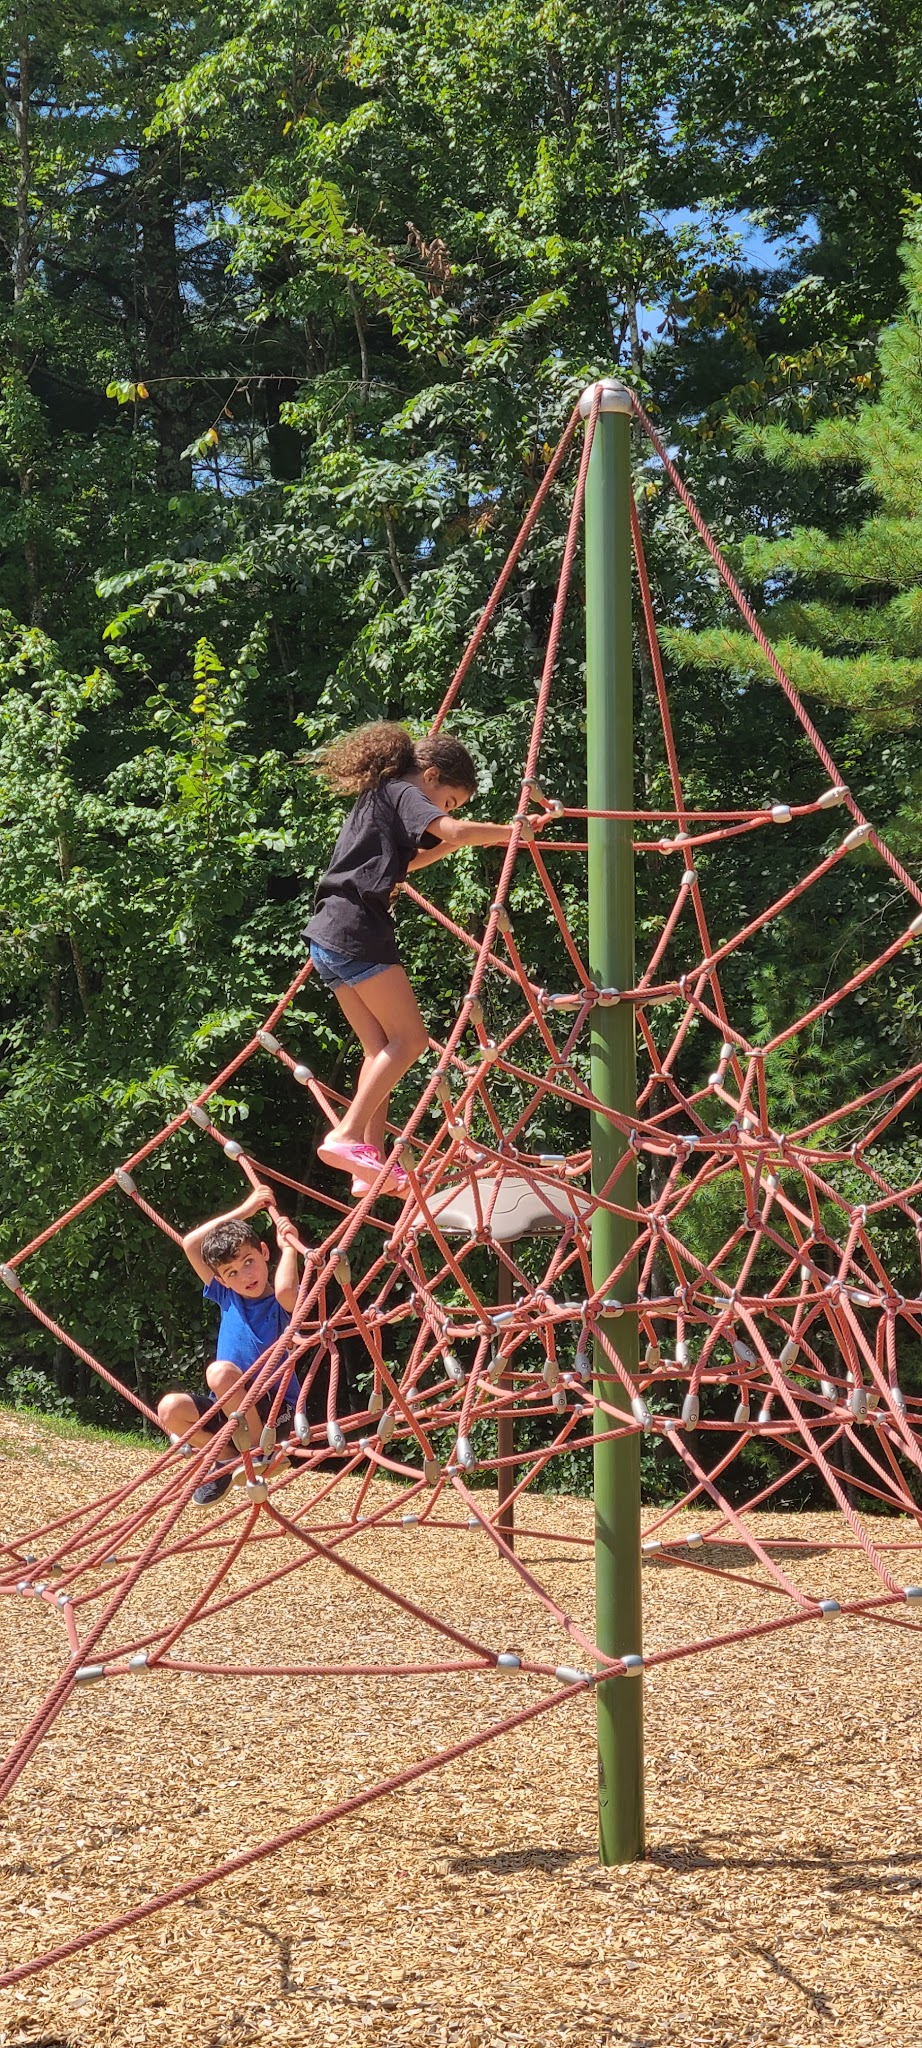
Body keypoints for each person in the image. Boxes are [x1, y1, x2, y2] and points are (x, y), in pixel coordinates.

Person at [304, 721, 526, 1193]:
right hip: (357, 930)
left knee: (378, 1046)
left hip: (327, 933)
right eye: (446, 799)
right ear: (429, 775)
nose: (442, 809)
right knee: (411, 1041)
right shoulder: (405, 794)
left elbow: (406, 864)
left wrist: (446, 846)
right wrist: (512, 831)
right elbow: (456, 830)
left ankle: (370, 1162)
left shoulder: (378, 798)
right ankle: (346, 1135)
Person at [157, 1184, 304, 1507]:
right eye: (232, 1272)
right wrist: (246, 1209)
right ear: (221, 1280)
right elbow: (190, 1244)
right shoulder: (228, 1296)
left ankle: (255, 1453)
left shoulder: (282, 1304)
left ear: (265, 1252)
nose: (244, 1276)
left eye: (249, 1261)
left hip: (273, 1415)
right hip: (231, 1409)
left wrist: (289, 1248)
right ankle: (226, 1461)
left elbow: (287, 1293)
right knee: (170, 1408)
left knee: (220, 1373)